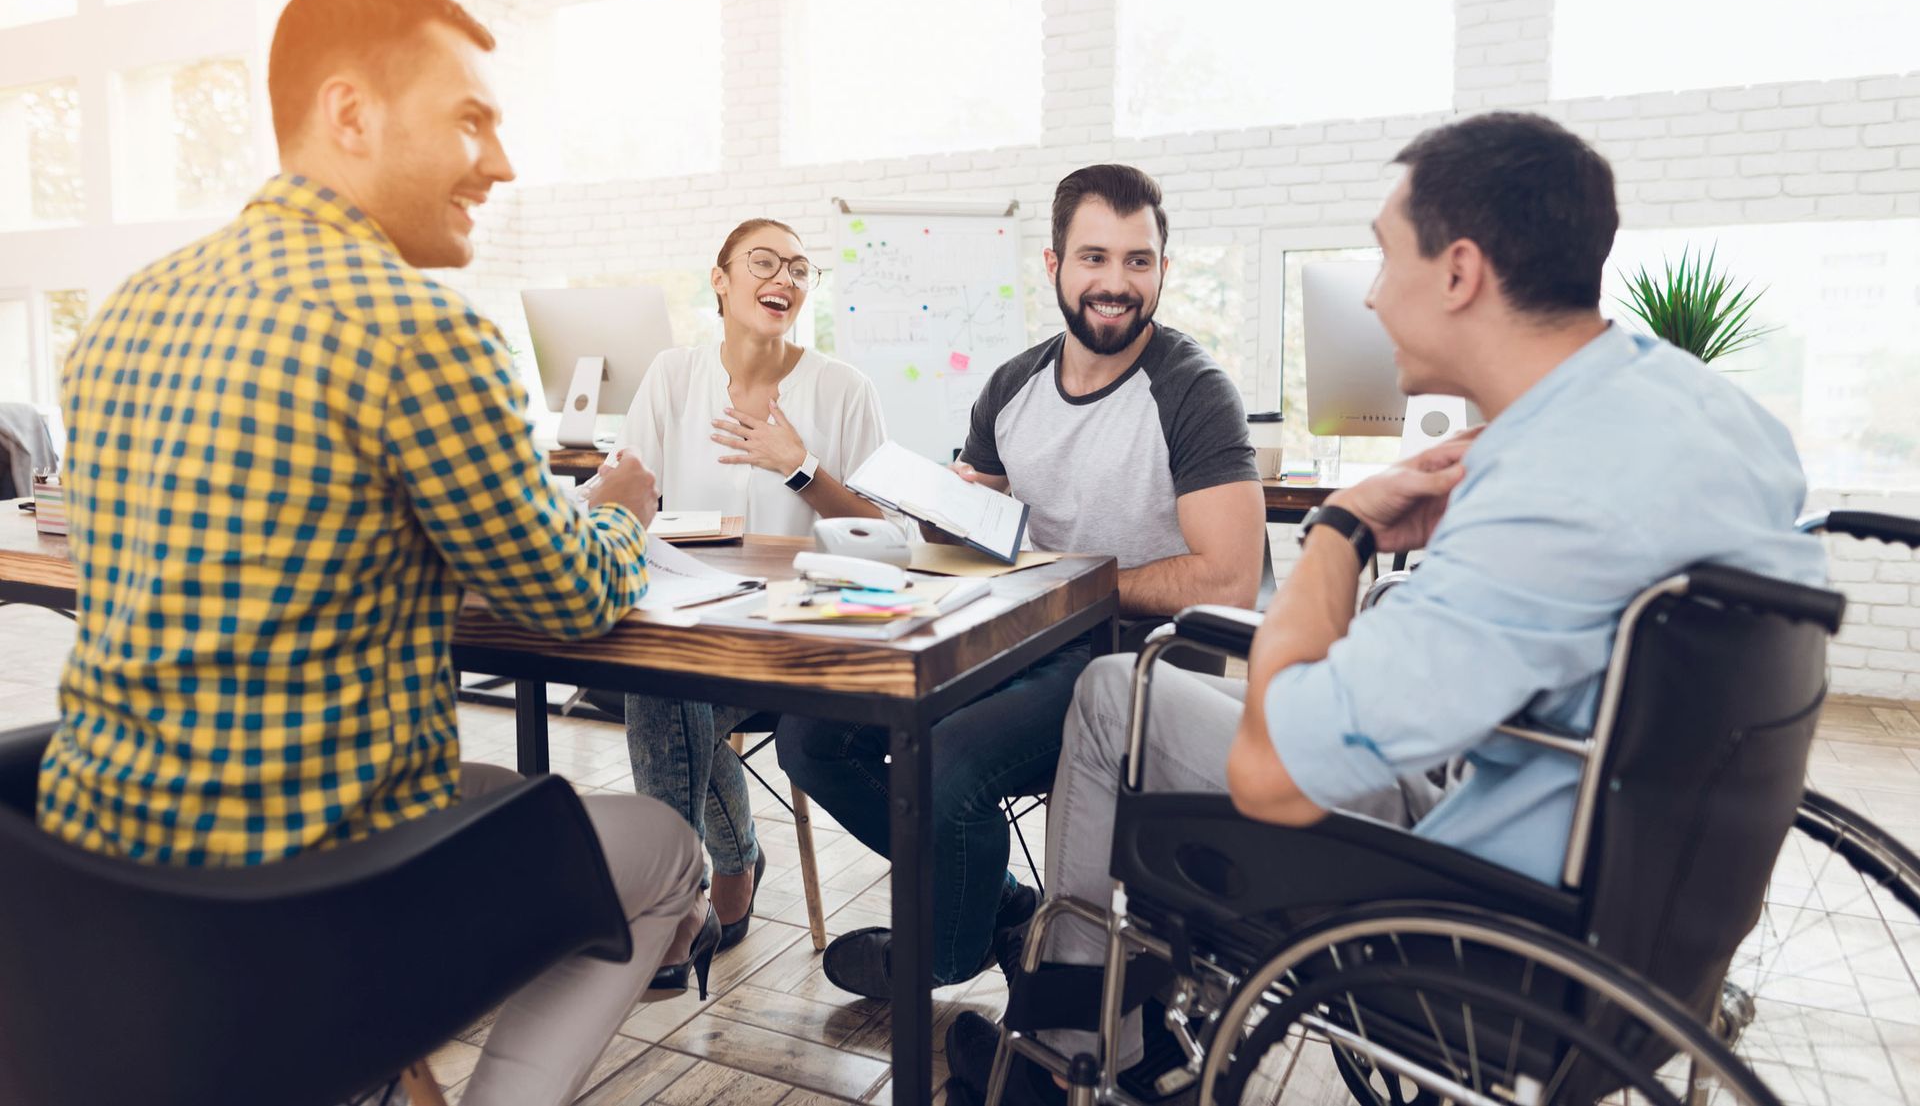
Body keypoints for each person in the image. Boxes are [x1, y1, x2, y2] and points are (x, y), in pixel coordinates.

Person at [943, 113, 1829, 1104]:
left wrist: (1340, 532)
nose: (1370, 294)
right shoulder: (1710, 412)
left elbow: (1275, 776)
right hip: (1641, 899)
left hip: (1479, 923)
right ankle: (1099, 1028)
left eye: (1382, 256)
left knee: (1118, 693)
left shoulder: (1543, 488)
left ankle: (1068, 1050)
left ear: (1457, 273)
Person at [34, 0, 709, 1106]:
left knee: (487, 784)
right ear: (350, 114)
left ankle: (385, 1073)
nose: (500, 164)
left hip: (109, 891)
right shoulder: (419, 332)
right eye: (471, 120)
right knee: (661, 851)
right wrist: (620, 511)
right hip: (314, 910)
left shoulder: (120, 317)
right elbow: (570, 599)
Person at [777, 163, 1267, 1000]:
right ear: (1054, 266)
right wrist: (944, 509)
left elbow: (1227, 579)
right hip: (1019, 643)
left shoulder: (1192, 391)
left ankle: (941, 952)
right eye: (1095, 258)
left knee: (949, 763)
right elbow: (982, 535)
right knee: (812, 735)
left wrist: (1068, 577)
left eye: (1138, 262)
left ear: (1162, 270)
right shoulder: (1012, 386)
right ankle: (999, 909)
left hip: (1137, 667)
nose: (1116, 283)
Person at [618, 217, 893, 972]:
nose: (784, 279)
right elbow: (625, 496)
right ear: (720, 278)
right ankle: (701, 887)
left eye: (800, 269)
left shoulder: (842, 389)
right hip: (694, 625)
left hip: (801, 647)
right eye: (764, 261)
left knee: (664, 696)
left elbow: (885, 533)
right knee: (662, 684)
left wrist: (799, 464)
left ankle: (685, 899)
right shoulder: (674, 377)